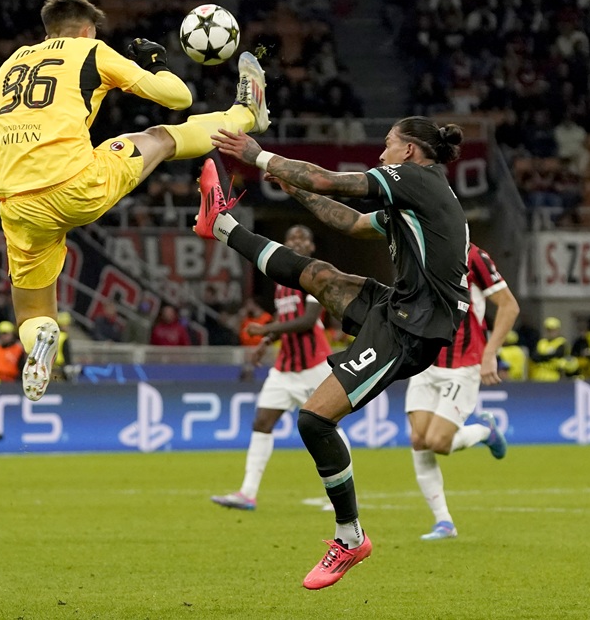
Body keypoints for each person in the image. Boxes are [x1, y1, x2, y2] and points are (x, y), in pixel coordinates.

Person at [201, 115, 470, 590]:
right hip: (400, 308)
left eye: (387, 145)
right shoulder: (419, 197)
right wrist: (287, 180)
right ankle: (221, 225)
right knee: (321, 276)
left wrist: (258, 155)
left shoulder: (415, 179)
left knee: (313, 420)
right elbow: (349, 222)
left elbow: (331, 181)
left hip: (414, 329)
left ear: (408, 151)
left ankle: (350, 537)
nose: (381, 154)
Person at [0, 0, 270, 401]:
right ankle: (247, 114)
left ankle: (43, 339)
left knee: (34, 313)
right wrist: (155, 63)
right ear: (86, 29)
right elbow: (178, 98)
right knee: (160, 137)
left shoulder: (10, 65)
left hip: (18, 204)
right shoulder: (90, 50)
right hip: (76, 184)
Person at [211, 225, 345, 511]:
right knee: (261, 423)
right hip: (285, 368)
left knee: (327, 428)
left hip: (313, 366)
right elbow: (288, 318)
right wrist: (268, 339)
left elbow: (308, 321)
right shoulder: (280, 280)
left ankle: (344, 493)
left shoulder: (316, 275)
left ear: (311, 247)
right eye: (291, 238)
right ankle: (247, 494)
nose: (297, 241)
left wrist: (265, 329)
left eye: (303, 238)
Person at [402, 243, 520, 540]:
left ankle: (484, 432)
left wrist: (490, 353)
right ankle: (444, 522)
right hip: (426, 362)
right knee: (418, 439)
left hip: (464, 364)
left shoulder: (474, 257)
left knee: (438, 442)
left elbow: (509, 305)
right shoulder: (415, 250)